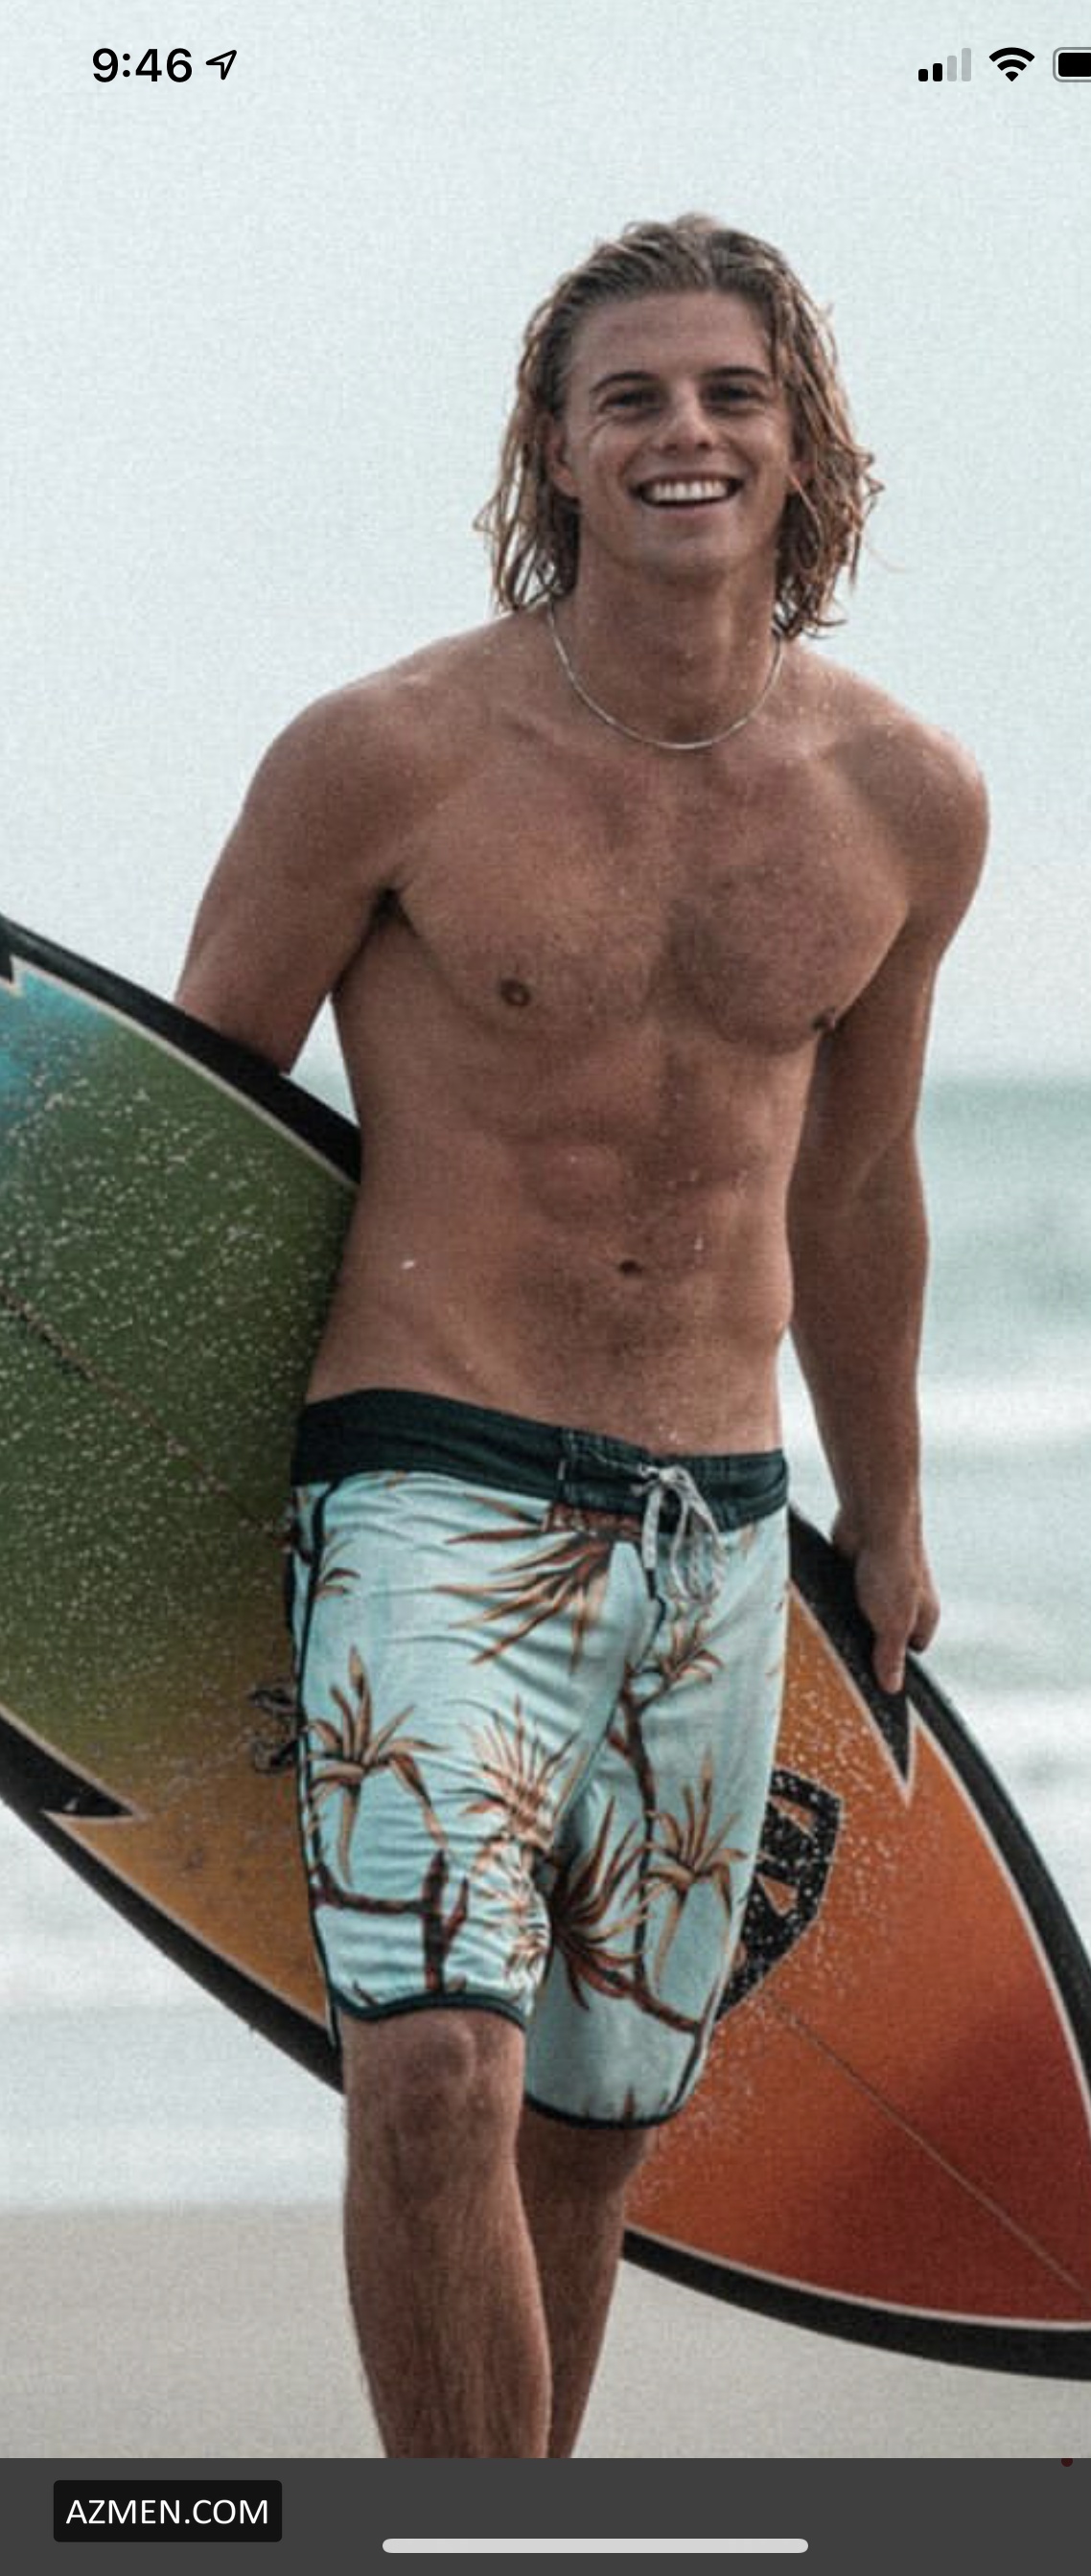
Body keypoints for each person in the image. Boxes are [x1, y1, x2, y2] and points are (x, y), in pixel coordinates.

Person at [174, 214, 987, 2458]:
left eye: (731, 393)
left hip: (716, 1526)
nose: (682, 434)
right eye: (630, 397)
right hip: (426, 1477)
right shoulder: (387, 756)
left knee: (597, 2127)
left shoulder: (905, 802)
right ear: (553, 448)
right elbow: (189, 1135)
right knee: (437, 2066)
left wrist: (889, 1512)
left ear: (803, 443)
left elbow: (853, 1189)